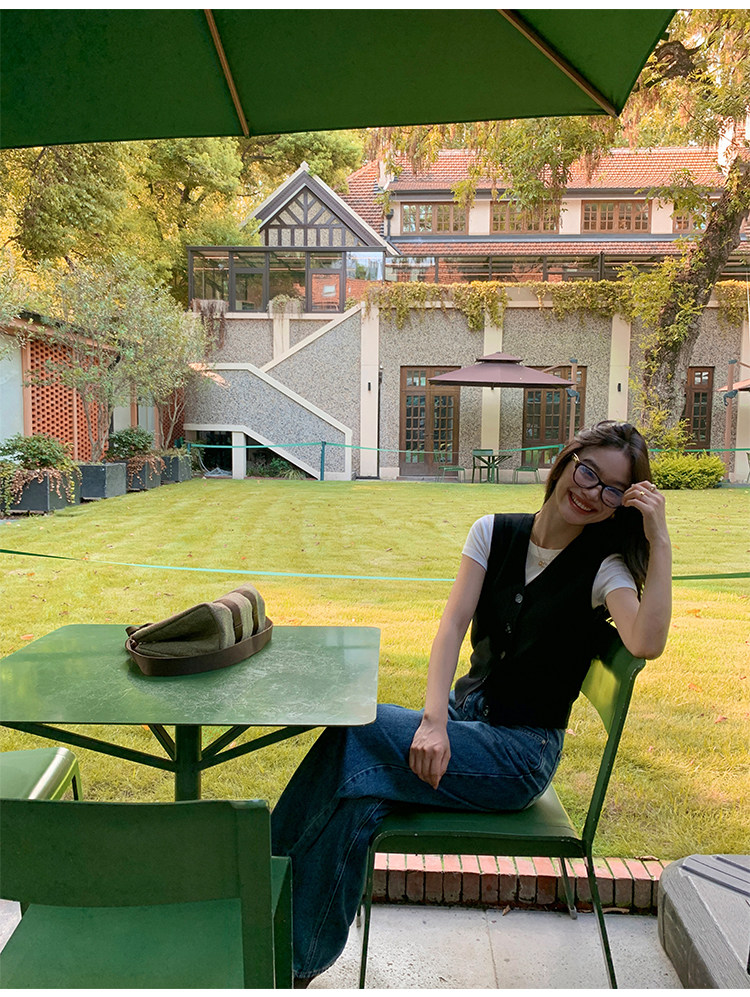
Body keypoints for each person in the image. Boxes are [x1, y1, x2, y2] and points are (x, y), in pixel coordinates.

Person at [271, 421, 672, 986]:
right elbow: (451, 629)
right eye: (588, 472)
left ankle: (257, 875)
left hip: (519, 755)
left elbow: (646, 642)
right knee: (361, 801)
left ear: (620, 504)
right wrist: (434, 720)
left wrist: (660, 538)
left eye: (611, 490)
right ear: (566, 460)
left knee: (355, 730)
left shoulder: (604, 570)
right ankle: (295, 965)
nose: (591, 493)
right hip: (463, 725)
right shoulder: (493, 532)